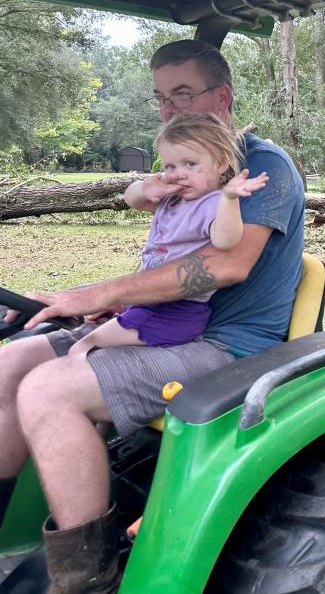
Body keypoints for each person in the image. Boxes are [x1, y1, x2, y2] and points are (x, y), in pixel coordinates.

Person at [0, 39, 304, 592]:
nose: (170, 109)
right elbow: (153, 224)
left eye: (183, 94)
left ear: (222, 94)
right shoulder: (183, 162)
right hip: (159, 324)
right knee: (12, 362)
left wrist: (93, 294)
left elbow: (225, 264)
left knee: (48, 390)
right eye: (162, 97)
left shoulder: (260, 167)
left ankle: (89, 576)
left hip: (224, 343)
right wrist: (104, 295)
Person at [69, 113, 270, 357]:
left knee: (84, 346)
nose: (178, 173)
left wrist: (230, 198)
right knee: (88, 333)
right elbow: (131, 200)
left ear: (221, 163)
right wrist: (145, 187)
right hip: (150, 303)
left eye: (190, 164)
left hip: (176, 312)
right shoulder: (173, 199)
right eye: (170, 166)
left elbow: (226, 239)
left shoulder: (212, 203)